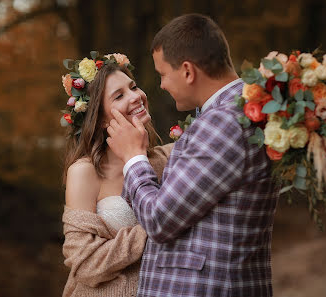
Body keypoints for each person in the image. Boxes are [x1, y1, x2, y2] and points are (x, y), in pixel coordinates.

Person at [106, 14, 280, 297]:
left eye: (163, 74)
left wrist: (133, 157)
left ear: (187, 71)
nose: (160, 85)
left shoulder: (225, 122)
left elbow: (160, 220)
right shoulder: (238, 112)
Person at [61, 54, 172, 297]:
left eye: (133, 87)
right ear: (100, 119)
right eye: (119, 96)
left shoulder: (165, 159)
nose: (136, 97)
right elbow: (85, 263)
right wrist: (161, 225)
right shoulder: (84, 172)